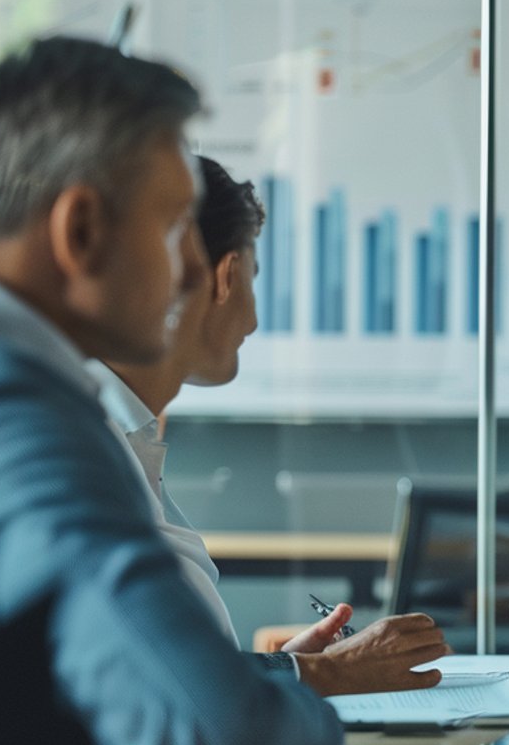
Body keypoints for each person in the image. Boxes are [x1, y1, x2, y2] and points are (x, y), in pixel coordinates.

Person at [0, 36, 342, 745]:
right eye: (175, 226)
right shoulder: (15, 417)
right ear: (79, 231)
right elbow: (226, 734)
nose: (191, 271)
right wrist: (317, 702)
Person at [91, 156, 449, 696]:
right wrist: (324, 672)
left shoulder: (124, 442)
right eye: (253, 281)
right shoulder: (81, 452)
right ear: (224, 276)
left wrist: (286, 667)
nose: (253, 321)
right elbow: (136, 686)